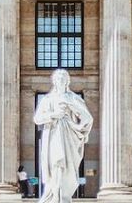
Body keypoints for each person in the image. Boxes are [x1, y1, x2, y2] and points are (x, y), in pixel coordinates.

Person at [33, 69, 93, 203]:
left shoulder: (74, 98)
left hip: (69, 137)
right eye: (58, 78)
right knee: (56, 163)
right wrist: (53, 115)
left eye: (63, 78)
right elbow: (37, 119)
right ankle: (54, 197)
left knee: (67, 168)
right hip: (53, 136)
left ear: (67, 81)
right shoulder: (48, 99)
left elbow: (87, 118)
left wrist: (79, 126)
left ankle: (63, 197)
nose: (61, 80)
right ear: (54, 81)